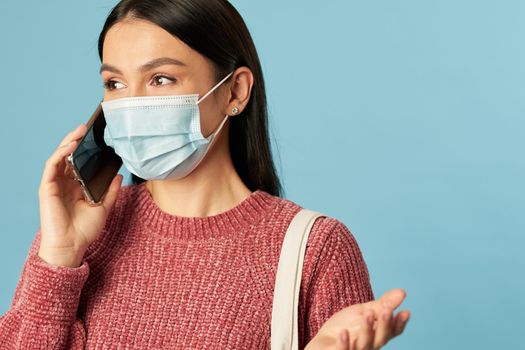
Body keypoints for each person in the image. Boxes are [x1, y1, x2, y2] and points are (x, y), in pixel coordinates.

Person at [0, 0, 410, 349]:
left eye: (160, 79)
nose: (131, 105)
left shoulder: (317, 250)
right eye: (115, 83)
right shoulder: (79, 238)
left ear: (235, 92)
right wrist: (59, 257)